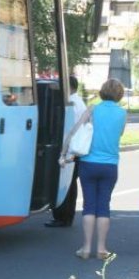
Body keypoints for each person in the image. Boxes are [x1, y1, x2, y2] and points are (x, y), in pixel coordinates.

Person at [60, 77, 127, 260]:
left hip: (89, 163)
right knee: (104, 205)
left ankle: (86, 248)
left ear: (102, 91)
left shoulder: (93, 109)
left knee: (89, 205)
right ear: (119, 94)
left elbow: (75, 131)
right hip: (110, 165)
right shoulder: (122, 113)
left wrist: (64, 153)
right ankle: (102, 249)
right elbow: (120, 134)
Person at [46, 75, 86, 228]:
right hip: (74, 148)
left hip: (70, 148)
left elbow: (70, 128)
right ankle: (66, 216)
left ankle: (62, 217)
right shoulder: (78, 102)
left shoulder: (72, 103)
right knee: (70, 184)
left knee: (66, 183)